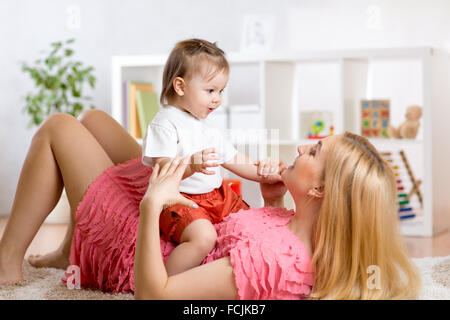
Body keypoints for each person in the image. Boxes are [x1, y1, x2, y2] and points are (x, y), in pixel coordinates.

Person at [0, 108, 421, 299]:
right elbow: (242, 234)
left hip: (148, 251)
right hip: (184, 215)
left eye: (313, 153)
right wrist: (270, 198)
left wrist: (152, 204)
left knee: (59, 128)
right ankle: (63, 253)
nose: (300, 148)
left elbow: (156, 293)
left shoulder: (274, 261)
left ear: (321, 191)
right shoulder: (299, 226)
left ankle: (7, 262)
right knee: (94, 120)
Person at [141, 39, 283, 276]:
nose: (218, 99)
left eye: (221, 91)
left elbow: (235, 158)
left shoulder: (206, 127)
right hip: (180, 200)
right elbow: (164, 172)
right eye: (210, 91)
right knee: (204, 237)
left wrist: (266, 174)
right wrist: (192, 165)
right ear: (180, 86)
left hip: (218, 196)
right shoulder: (165, 123)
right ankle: (164, 284)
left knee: (253, 223)